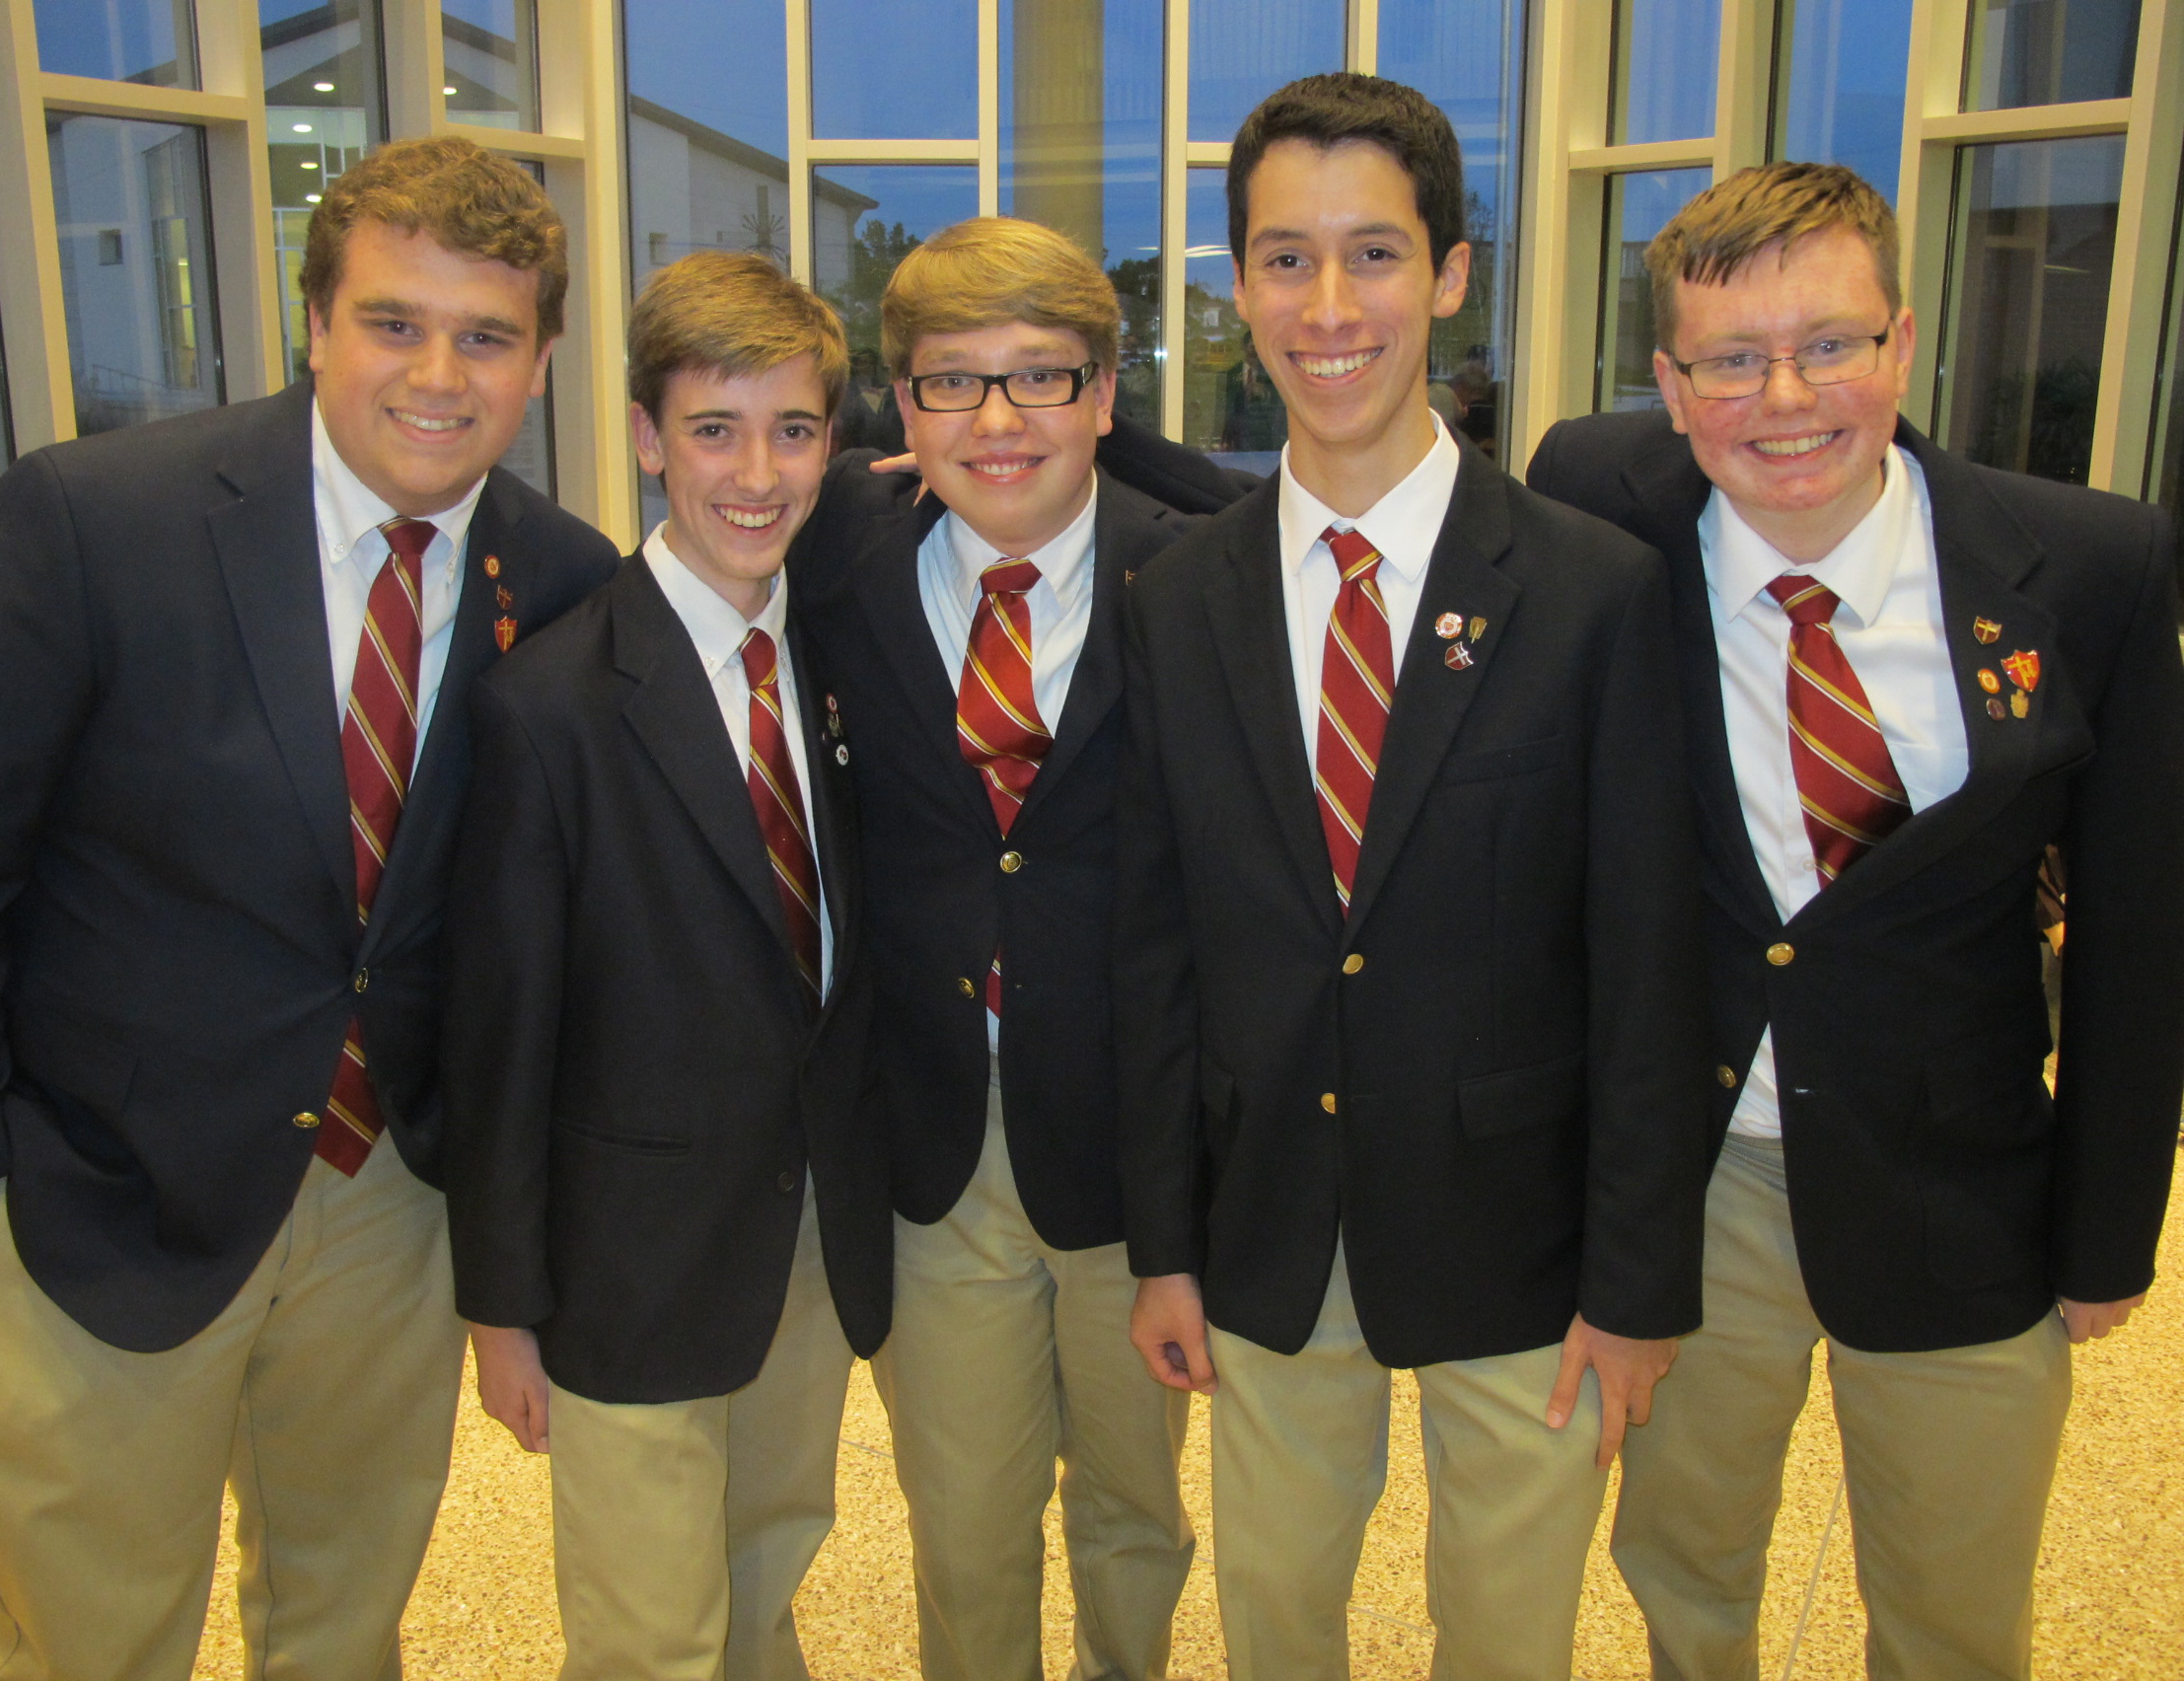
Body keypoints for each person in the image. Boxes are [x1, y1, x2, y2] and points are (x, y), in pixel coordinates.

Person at [0, 136, 617, 1678]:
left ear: (541, 363)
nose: (437, 375)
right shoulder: (94, 519)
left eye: (487, 336)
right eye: (393, 322)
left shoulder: (564, 579)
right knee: (85, 1637)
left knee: (342, 1620)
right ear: (314, 324)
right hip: (100, 1190)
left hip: (388, 1200)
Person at [1526, 161, 2184, 1681]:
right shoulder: (1596, 506)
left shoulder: (2091, 566)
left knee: (1956, 1610)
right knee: (1683, 1571)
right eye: (1731, 361)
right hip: (1694, 1180)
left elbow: (2143, 935)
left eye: (1830, 344)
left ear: (1902, 341)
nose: (1785, 399)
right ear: (1668, 387)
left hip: (1964, 1185)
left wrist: (2108, 1237)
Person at [1114, 73, 1711, 1681]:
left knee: (1509, 1638)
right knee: (1275, 1623)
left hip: (1524, 1240)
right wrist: (1164, 1244)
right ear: (1241, 288)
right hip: (1269, 1221)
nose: (1328, 308)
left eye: (1373, 254)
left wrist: (1637, 1279)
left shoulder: (1593, 592)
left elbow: (1648, 963)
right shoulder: (1177, 598)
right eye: (1284, 259)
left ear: (1450, 274)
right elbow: (1159, 948)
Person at [442, 250, 890, 1681]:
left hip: (802, 1234)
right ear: (646, 437)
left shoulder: (837, 659)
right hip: (623, 1265)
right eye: (714, 429)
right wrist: (500, 1302)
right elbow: (502, 1033)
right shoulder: (550, 704)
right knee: (649, 1633)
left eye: (794, 429)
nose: (757, 474)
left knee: (769, 1566)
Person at [787, 216, 1198, 1681]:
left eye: (1043, 377)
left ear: (1106, 394)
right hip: (932, 1138)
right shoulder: (837, 565)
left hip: (1137, 1144)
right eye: (954, 383)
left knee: (1136, 1510)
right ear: (902, 406)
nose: (1000, 420)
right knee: (963, 1523)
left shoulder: (1197, 580)